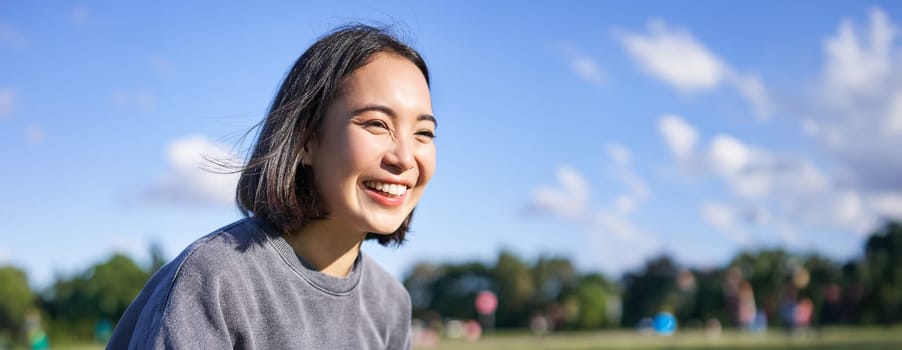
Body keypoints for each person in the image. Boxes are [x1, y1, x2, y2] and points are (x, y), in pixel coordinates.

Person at [107, 24, 437, 349]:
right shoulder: (215, 280)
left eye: (423, 133)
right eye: (377, 124)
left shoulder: (391, 303)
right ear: (307, 140)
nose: (406, 158)